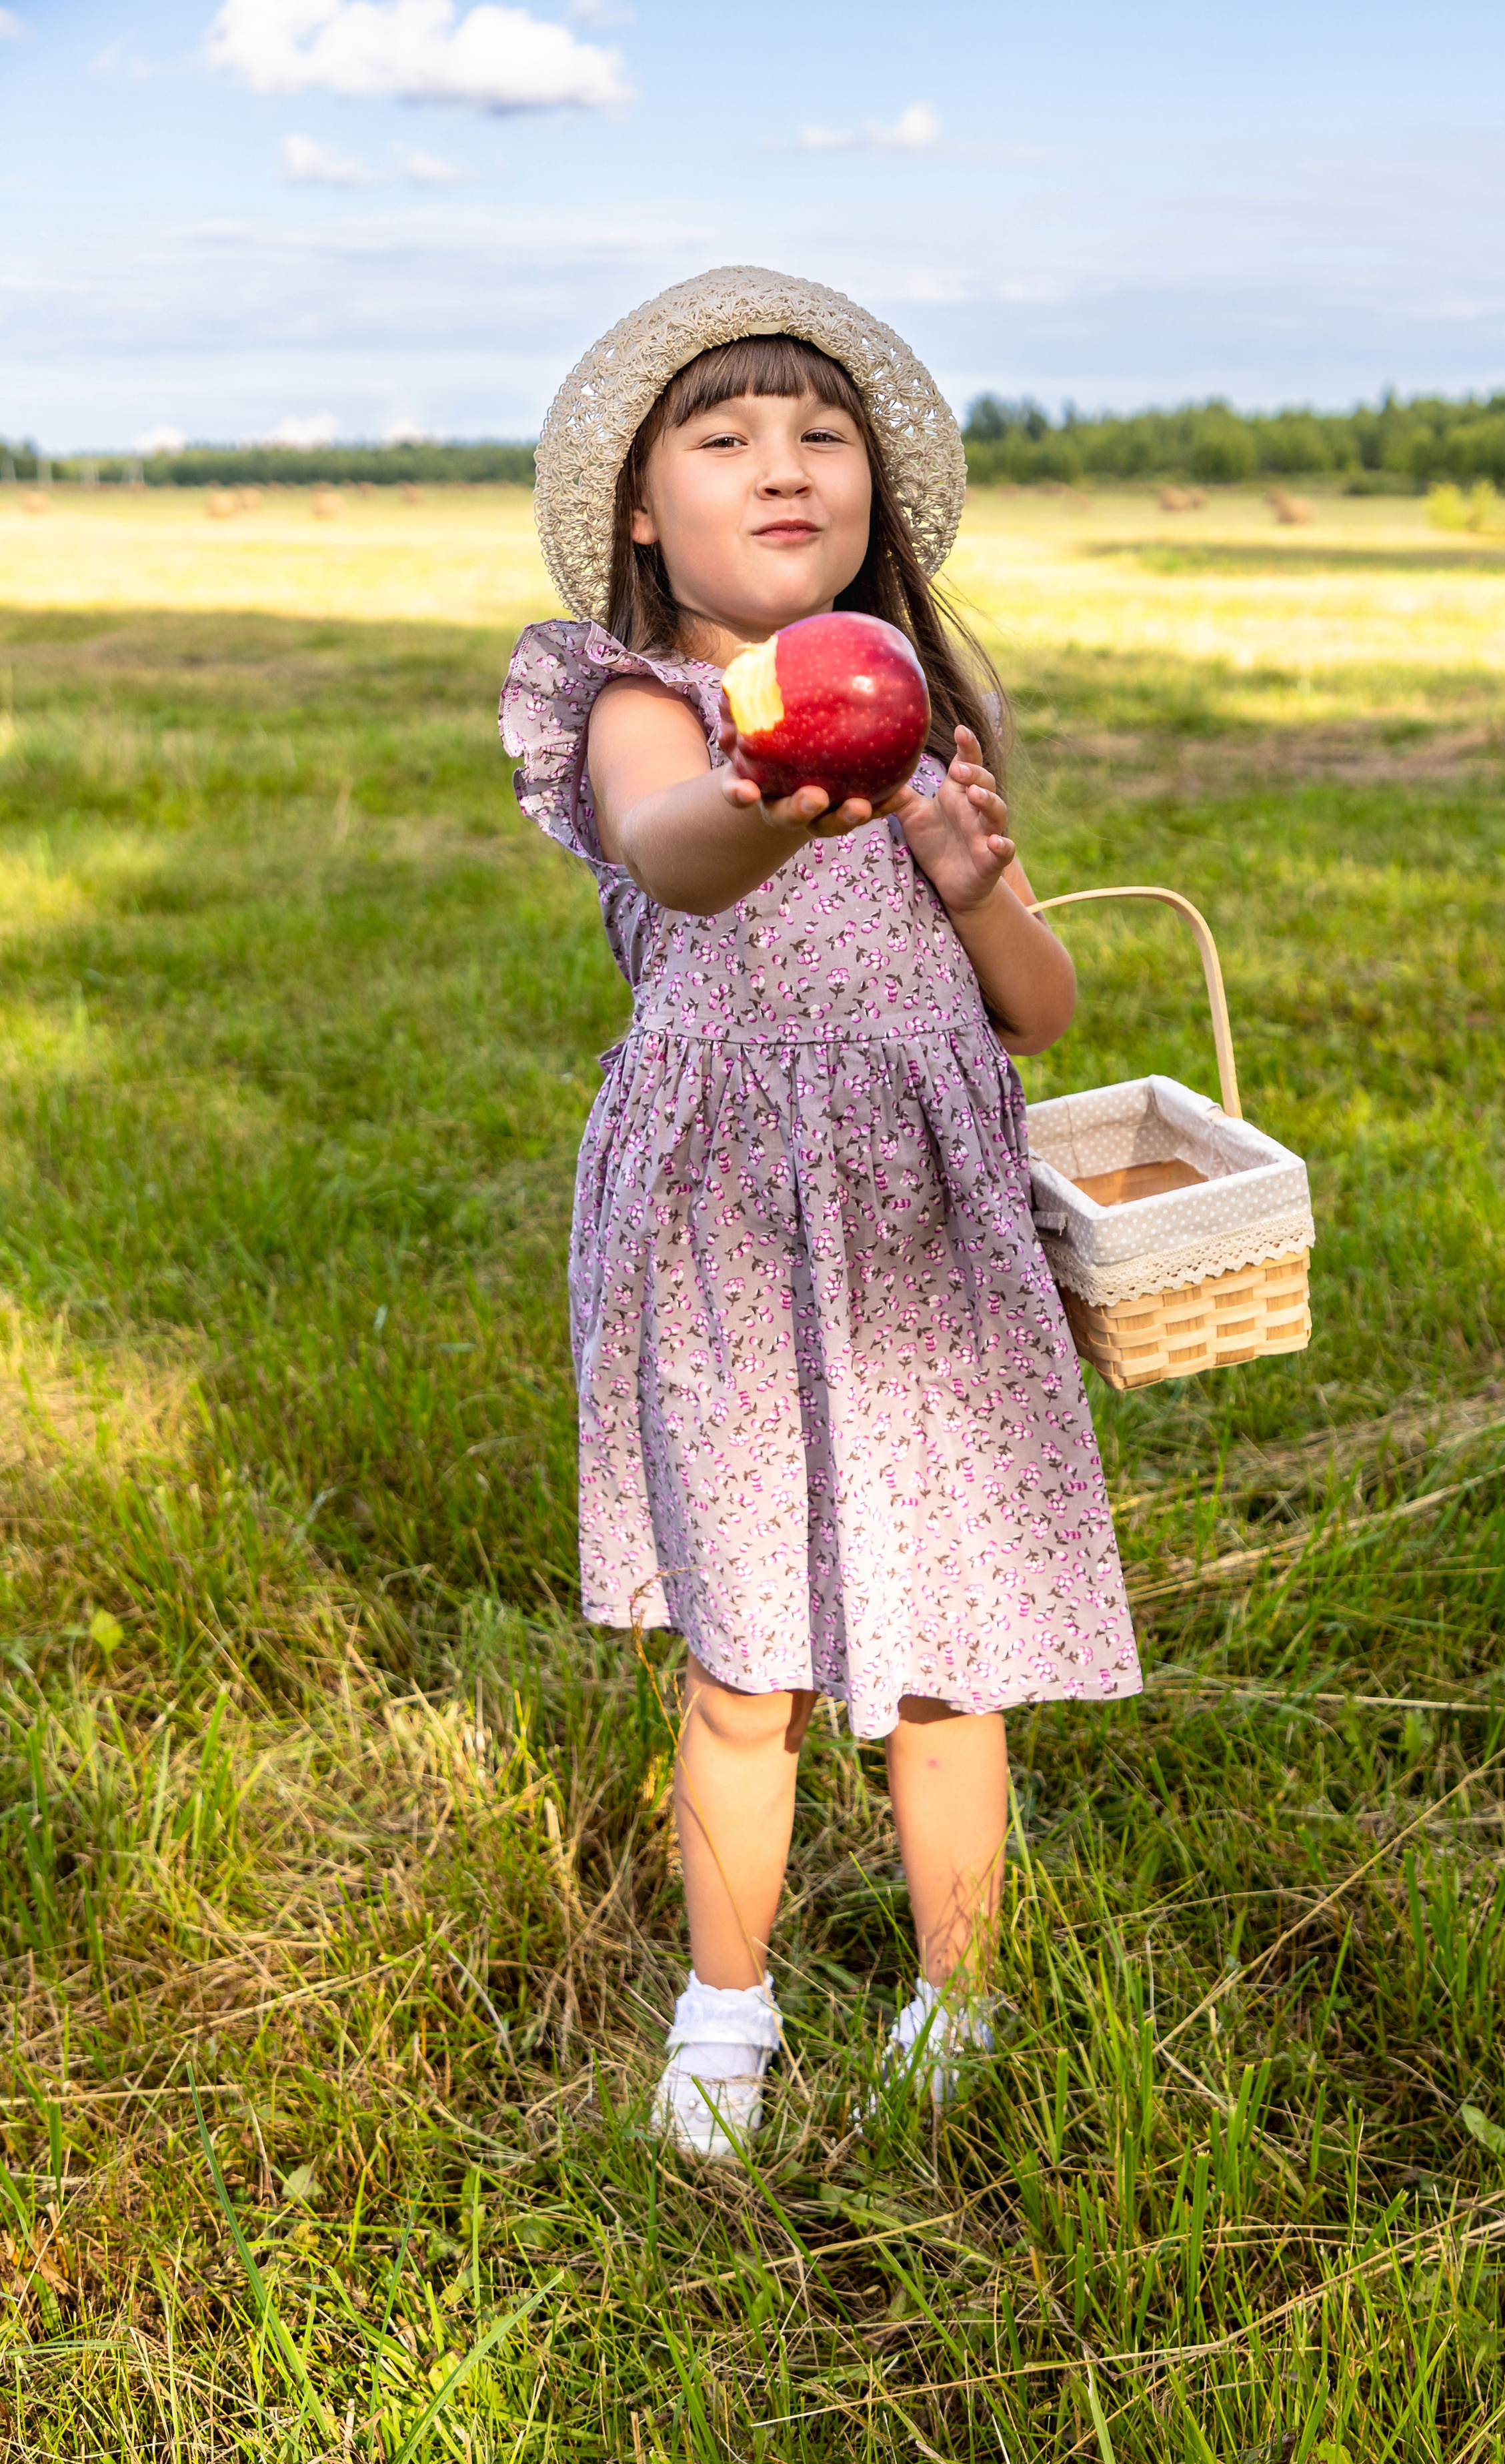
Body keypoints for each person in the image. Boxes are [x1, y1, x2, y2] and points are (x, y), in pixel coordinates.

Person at [501, 267, 1140, 2156]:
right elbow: (675, 857)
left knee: (956, 1656)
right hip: (729, 1226)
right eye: (725, 437)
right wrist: (775, 786)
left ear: (872, 486)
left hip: (928, 1232)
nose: (784, 465)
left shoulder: (924, 715)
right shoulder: (645, 707)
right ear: (642, 508)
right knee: (745, 1667)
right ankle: (728, 2005)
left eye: (821, 433)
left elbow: (1036, 1010)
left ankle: (959, 1996)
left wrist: (968, 872)